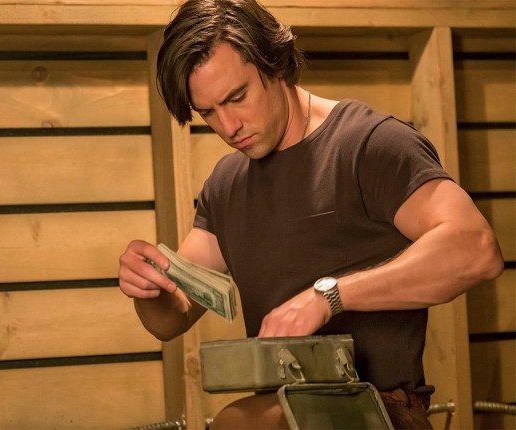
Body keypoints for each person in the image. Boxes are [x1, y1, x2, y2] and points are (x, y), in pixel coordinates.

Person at [118, 0, 504, 428]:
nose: (228, 127)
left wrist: (329, 296)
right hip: (284, 412)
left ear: (277, 63)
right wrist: (147, 287)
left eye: (237, 97)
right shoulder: (225, 185)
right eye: (208, 112)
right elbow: (173, 317)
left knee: (237, 423)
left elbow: (476, 249)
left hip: (381, 411)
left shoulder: (370, 144)